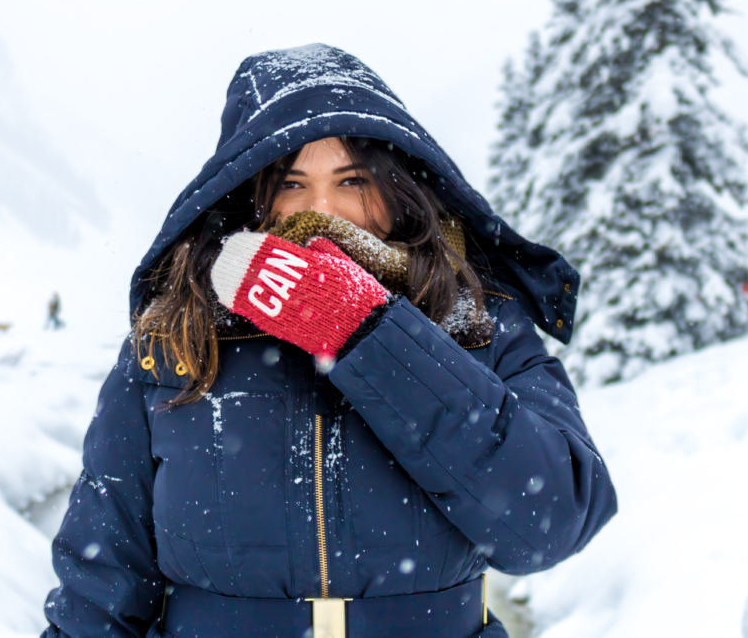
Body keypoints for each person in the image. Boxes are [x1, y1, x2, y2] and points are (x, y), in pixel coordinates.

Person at [41, 45, 617, 638]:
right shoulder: (177, 337)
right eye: (292, 183)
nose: (323, 210)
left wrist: (364, 330)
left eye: (353, 180)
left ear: (398, 189)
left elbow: (552, 522)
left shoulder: (477, 320)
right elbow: (100, 585)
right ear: (250, 197)